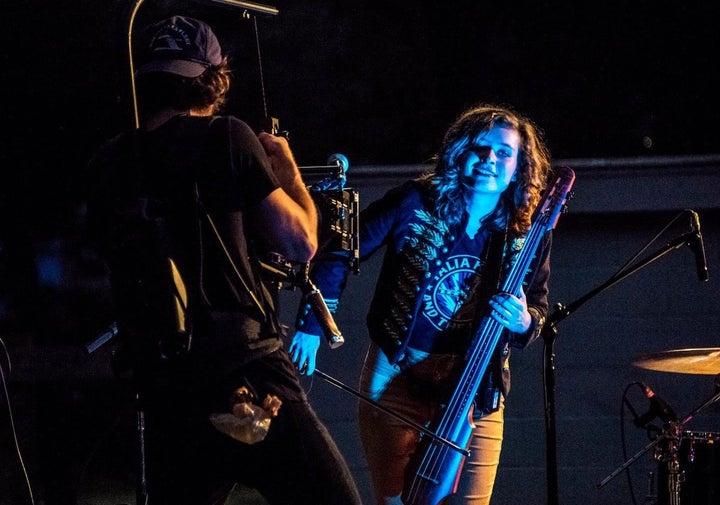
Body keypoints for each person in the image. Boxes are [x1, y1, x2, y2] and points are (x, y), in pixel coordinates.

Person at [85, 15, 362, 505]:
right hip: (245, 368)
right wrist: (287, 168)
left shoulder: (110, 160)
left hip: (164, 382)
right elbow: (300, 242)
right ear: (212, 80)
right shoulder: (227, 136)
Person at [291, 103, 553, 504]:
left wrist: (522, 320)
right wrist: (313, 323)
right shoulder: (415, 200)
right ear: (458, 152)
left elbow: (538, 307)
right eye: (480, 148)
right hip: (397, 374)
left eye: (504, 152)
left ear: (519, 166)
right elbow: (342, 249)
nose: (489, 160)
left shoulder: (529, 228)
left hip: (475, 387)